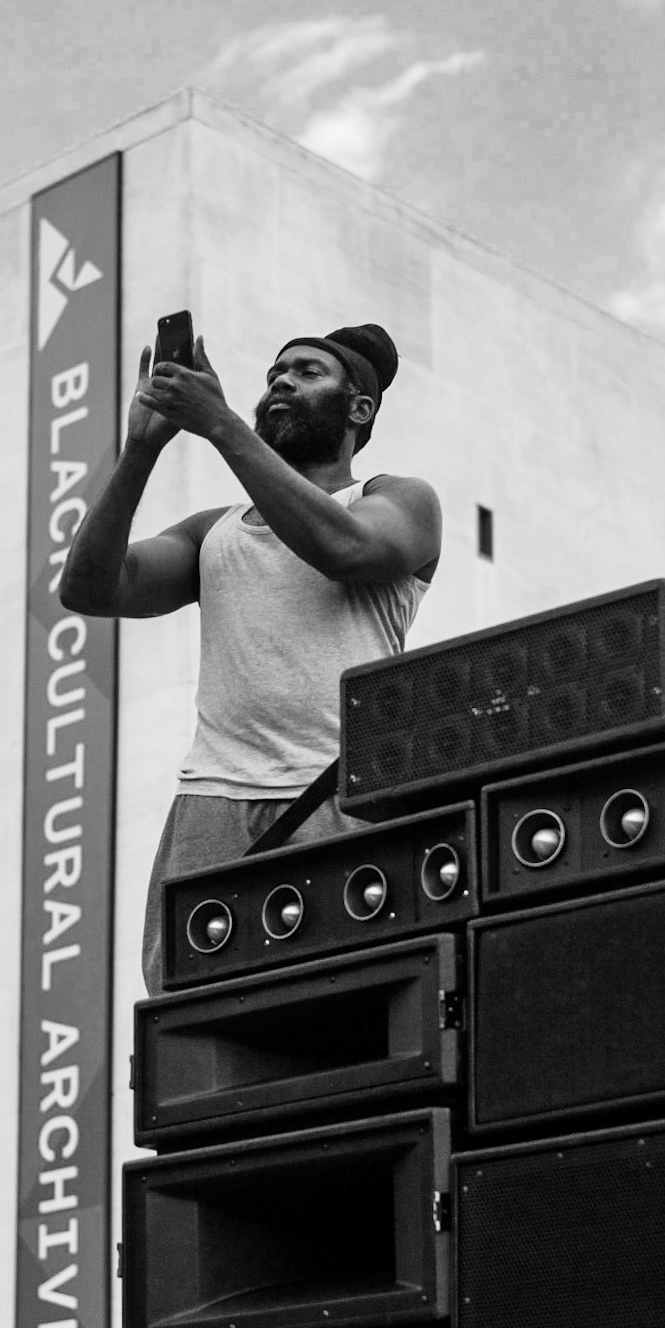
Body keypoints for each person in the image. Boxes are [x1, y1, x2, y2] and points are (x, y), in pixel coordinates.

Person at [58, 320, 441, 993]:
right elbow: (90, 588)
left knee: (349, 997)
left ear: (360, 409)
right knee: (191, 1007)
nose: (282, 382)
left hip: (337, 790)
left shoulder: (396, 498)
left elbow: (346, 549)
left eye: (308, 372)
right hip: (213, 801)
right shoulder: (215, 530)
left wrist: (219, 424)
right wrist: (140, 450)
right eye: (274, 374)